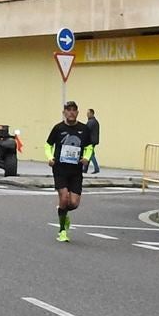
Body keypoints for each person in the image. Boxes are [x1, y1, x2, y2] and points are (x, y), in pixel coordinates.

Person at [46, 100, 94, 242]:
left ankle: (63, 212)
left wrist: (86, 158)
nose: (71, 112)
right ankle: (62, 231)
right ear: (64, 112)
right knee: (64, 197)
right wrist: (49, 157)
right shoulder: (58, 128)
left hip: (76, 170)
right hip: (60, 168)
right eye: (68, 110)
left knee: (73, 203)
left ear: (77, 113)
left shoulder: (84, 129)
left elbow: (89, 147)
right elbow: (47, 145)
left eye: (74, 110)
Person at [86, 108, 101, 174]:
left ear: (92, 113)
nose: (87, 115)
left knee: (91, 155)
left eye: (88, 113)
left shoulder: (91, 122)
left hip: (91, 141)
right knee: (89, 154)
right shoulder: (94, 121)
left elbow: (86, 130)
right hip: (93, 140)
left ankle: (96, 168)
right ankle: (85, 169)